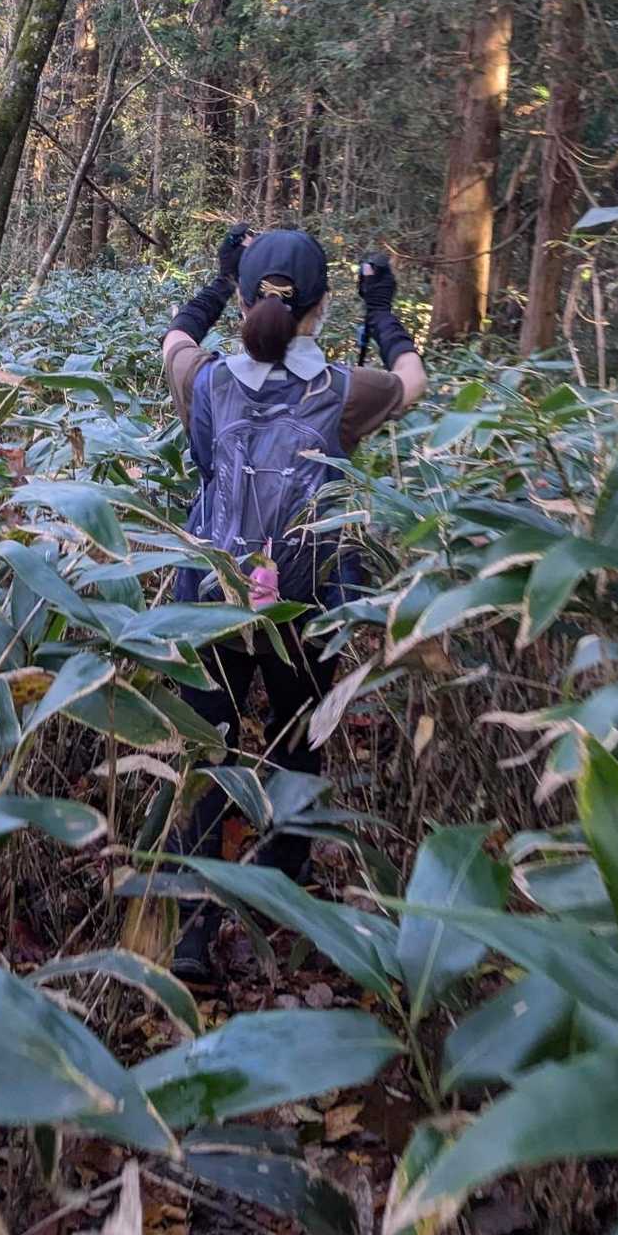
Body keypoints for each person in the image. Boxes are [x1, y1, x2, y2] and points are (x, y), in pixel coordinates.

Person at [161, 225, 427, 978]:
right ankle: (283, 888)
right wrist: (383, 313)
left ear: (248, 302)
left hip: (213, 598)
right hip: (306, 603)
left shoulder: (206, 379)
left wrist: (219, 283)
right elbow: (413, 380)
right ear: (320, 308)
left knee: (207, 751)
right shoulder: (348, 390)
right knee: (299, 736)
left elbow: (175, 339)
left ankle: (191, 932)